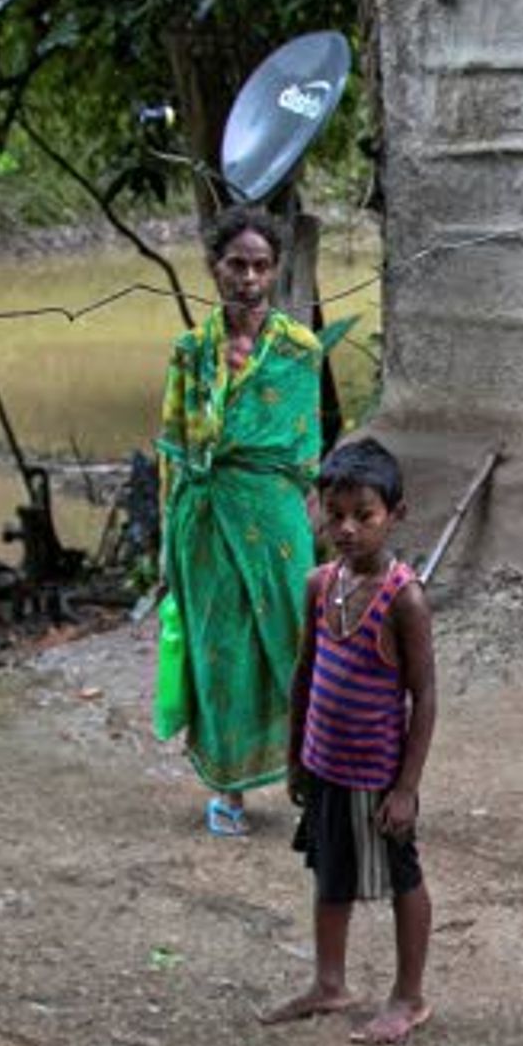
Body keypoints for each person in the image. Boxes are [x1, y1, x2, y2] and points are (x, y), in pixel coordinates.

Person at [154, 205, 355, 836]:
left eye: (261, 266)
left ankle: (318, 779)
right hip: (205, 518)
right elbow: (174, 452)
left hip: (274, 518)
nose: (248, 278)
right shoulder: (191, 353)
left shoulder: (299, 349)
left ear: (276, 272)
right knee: (221, 652)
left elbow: (304, 455)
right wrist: (168, 545)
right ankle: (230, 792)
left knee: (298, 642)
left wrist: (319, 530)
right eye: (236, 265)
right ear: (214, 269)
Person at [260, 437, 438, 1046]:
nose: (347, 528)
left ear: (395, 514)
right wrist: (294, 758)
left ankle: (409, 998)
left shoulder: (404, 599)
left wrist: (407, 787)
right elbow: (305, 674)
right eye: (334, 515)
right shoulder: (318, 585)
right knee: (329, 871)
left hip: (377, 772)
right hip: (325, 764)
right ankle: (329, 982)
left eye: (364, 515)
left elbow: (425, 697)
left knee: (402, 878)